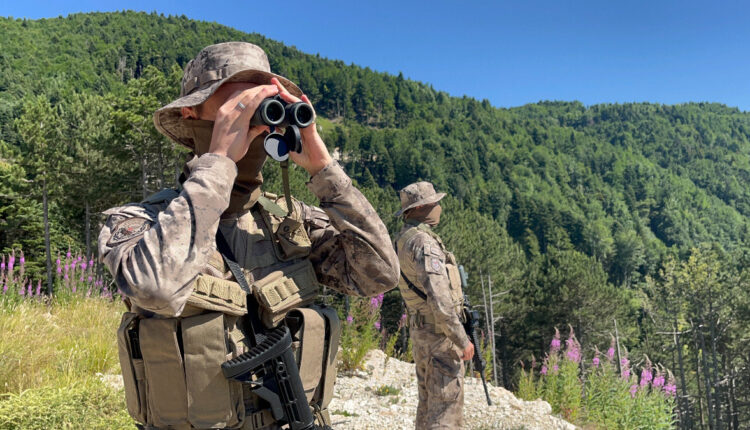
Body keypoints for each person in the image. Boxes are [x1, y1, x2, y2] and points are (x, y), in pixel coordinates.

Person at [99, 41, 399, 430]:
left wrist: (323, 169)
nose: (254, 120)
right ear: (191, 113)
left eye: (263, 104)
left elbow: (379, 274)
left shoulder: (291, 222)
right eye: (237, 104)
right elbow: (156, 289)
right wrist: (219, 162)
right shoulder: (141, 221)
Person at [393, 181, 475, 429]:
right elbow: (440, 300)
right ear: (422, 207)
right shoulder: (424, 244)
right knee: (445, 409)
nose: (439, 208)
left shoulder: (403, 239)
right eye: (436, 203)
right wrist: (461, 339)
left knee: (428, 404)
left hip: (422, 332)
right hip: (439, 337)